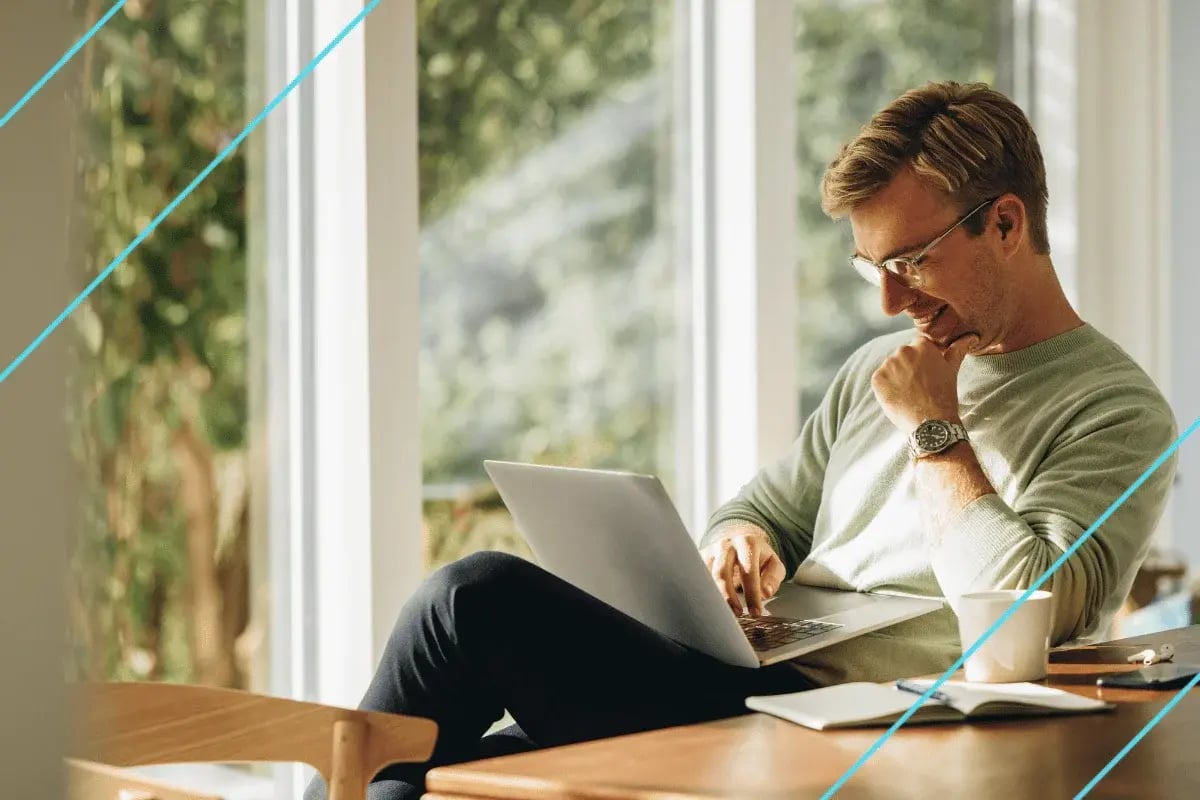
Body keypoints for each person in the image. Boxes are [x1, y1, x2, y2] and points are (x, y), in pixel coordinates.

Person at [304, 81, 1178, 800]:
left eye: (910, 262)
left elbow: (1026, 609)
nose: (888, 302)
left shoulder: (1116, 409)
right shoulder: (875, 369)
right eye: (872, 269)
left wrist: (934, 430)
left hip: (860, 719)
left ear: (1006, 224)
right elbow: (765, 508)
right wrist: (739, 542)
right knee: (436, 771)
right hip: (745, 679)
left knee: (472, 600)